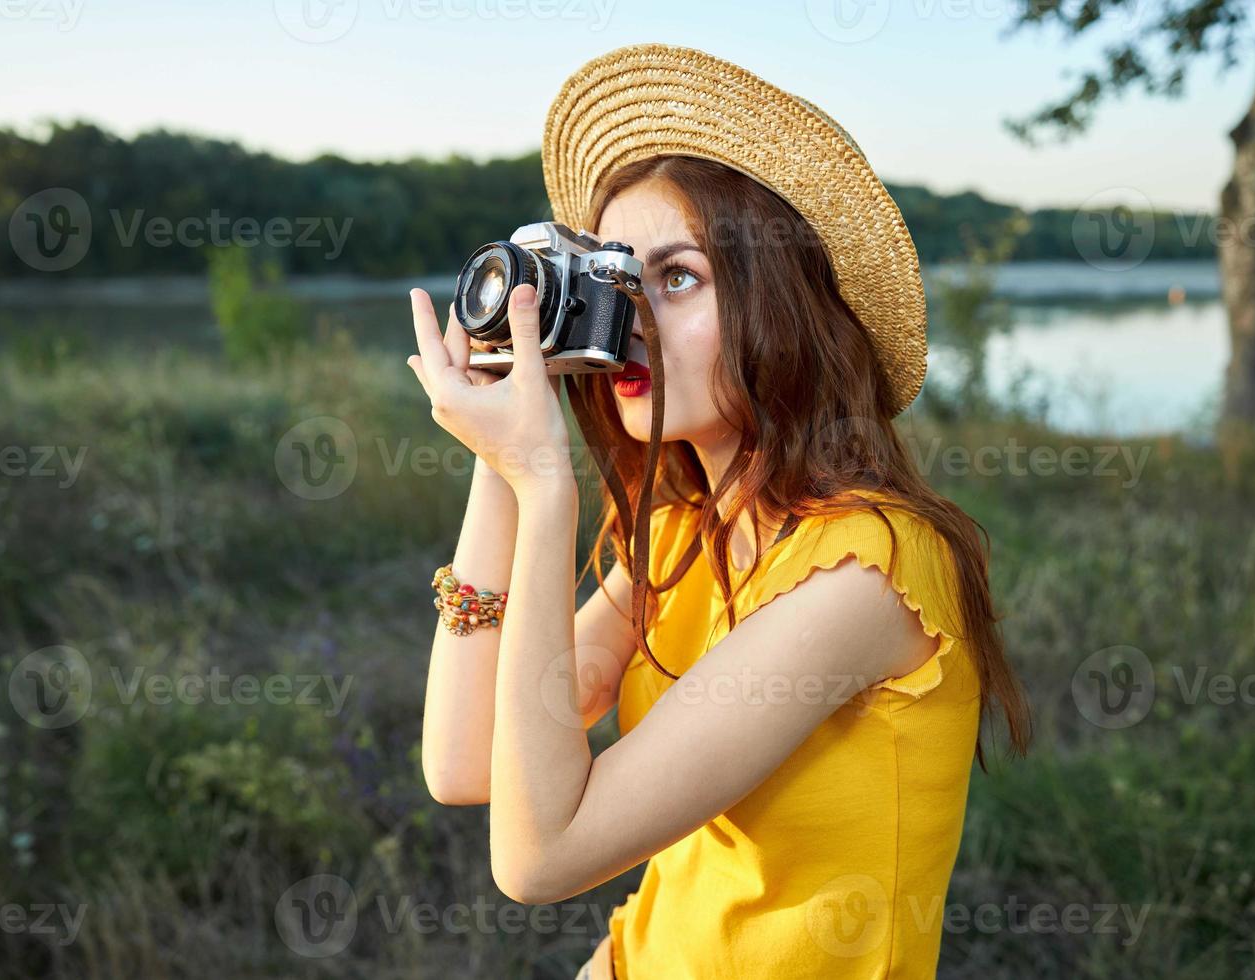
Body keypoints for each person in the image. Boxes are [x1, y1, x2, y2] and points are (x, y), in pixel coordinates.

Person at [409, 43, 1030, 980]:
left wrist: (546, 488)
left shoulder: (868, 574)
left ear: (782, 305)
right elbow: (464, 765)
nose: (635, 323)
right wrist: (497, 463)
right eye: (622, 283)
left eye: (680, 277)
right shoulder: (677, 539)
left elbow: (537, 860)